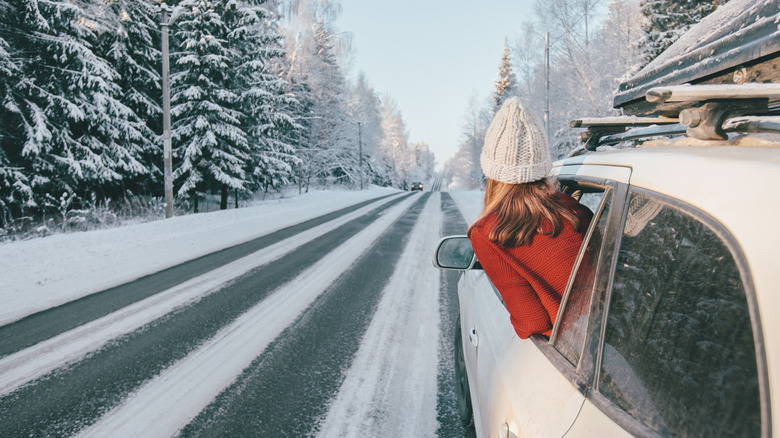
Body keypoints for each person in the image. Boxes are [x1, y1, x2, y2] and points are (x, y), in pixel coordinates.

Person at [468, 97, 593, 339]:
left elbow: (533, 323)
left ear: (492, 172)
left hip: (570, 346)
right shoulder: (576, 212)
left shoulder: (487, 234)